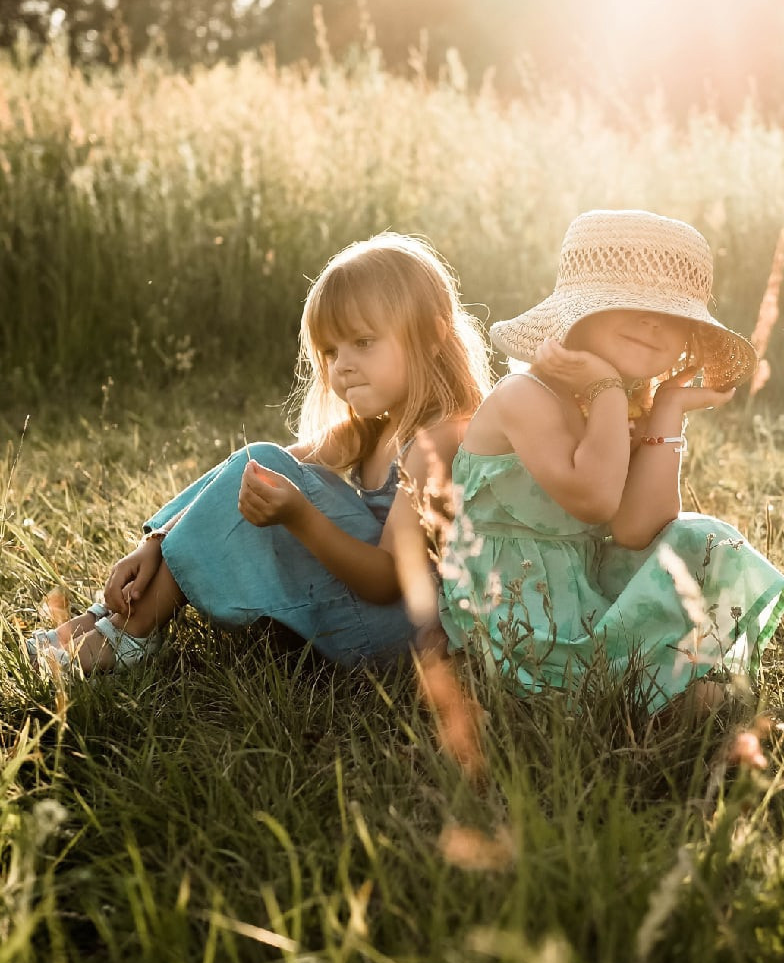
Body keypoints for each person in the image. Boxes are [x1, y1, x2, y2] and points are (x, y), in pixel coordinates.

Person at [29, 233, 492, 675]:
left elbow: (389, 579)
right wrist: (155, 540)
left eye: (363, 343)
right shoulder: (369, 431)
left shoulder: (440, 437)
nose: (343, 365)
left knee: (270, 471)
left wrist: (300, 517)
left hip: (403, 635)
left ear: (432, 336)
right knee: (262, 463)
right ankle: (114, 613)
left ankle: (132, 630)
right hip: (367, 614)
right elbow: (251, 467)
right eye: (330, 351)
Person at [439, 209, 784, 712]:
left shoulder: (619, 409)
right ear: (579, 314)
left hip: (584, 591)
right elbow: (596, 499)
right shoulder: (524, 397)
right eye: (629, 304)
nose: (652, 322)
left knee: (704, 538)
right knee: (697, 697)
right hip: (517, 614)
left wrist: (667, 412)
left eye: (671, 316)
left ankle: (667, 683)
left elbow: (636, 532)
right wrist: (604, 386)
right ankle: (646, 689)